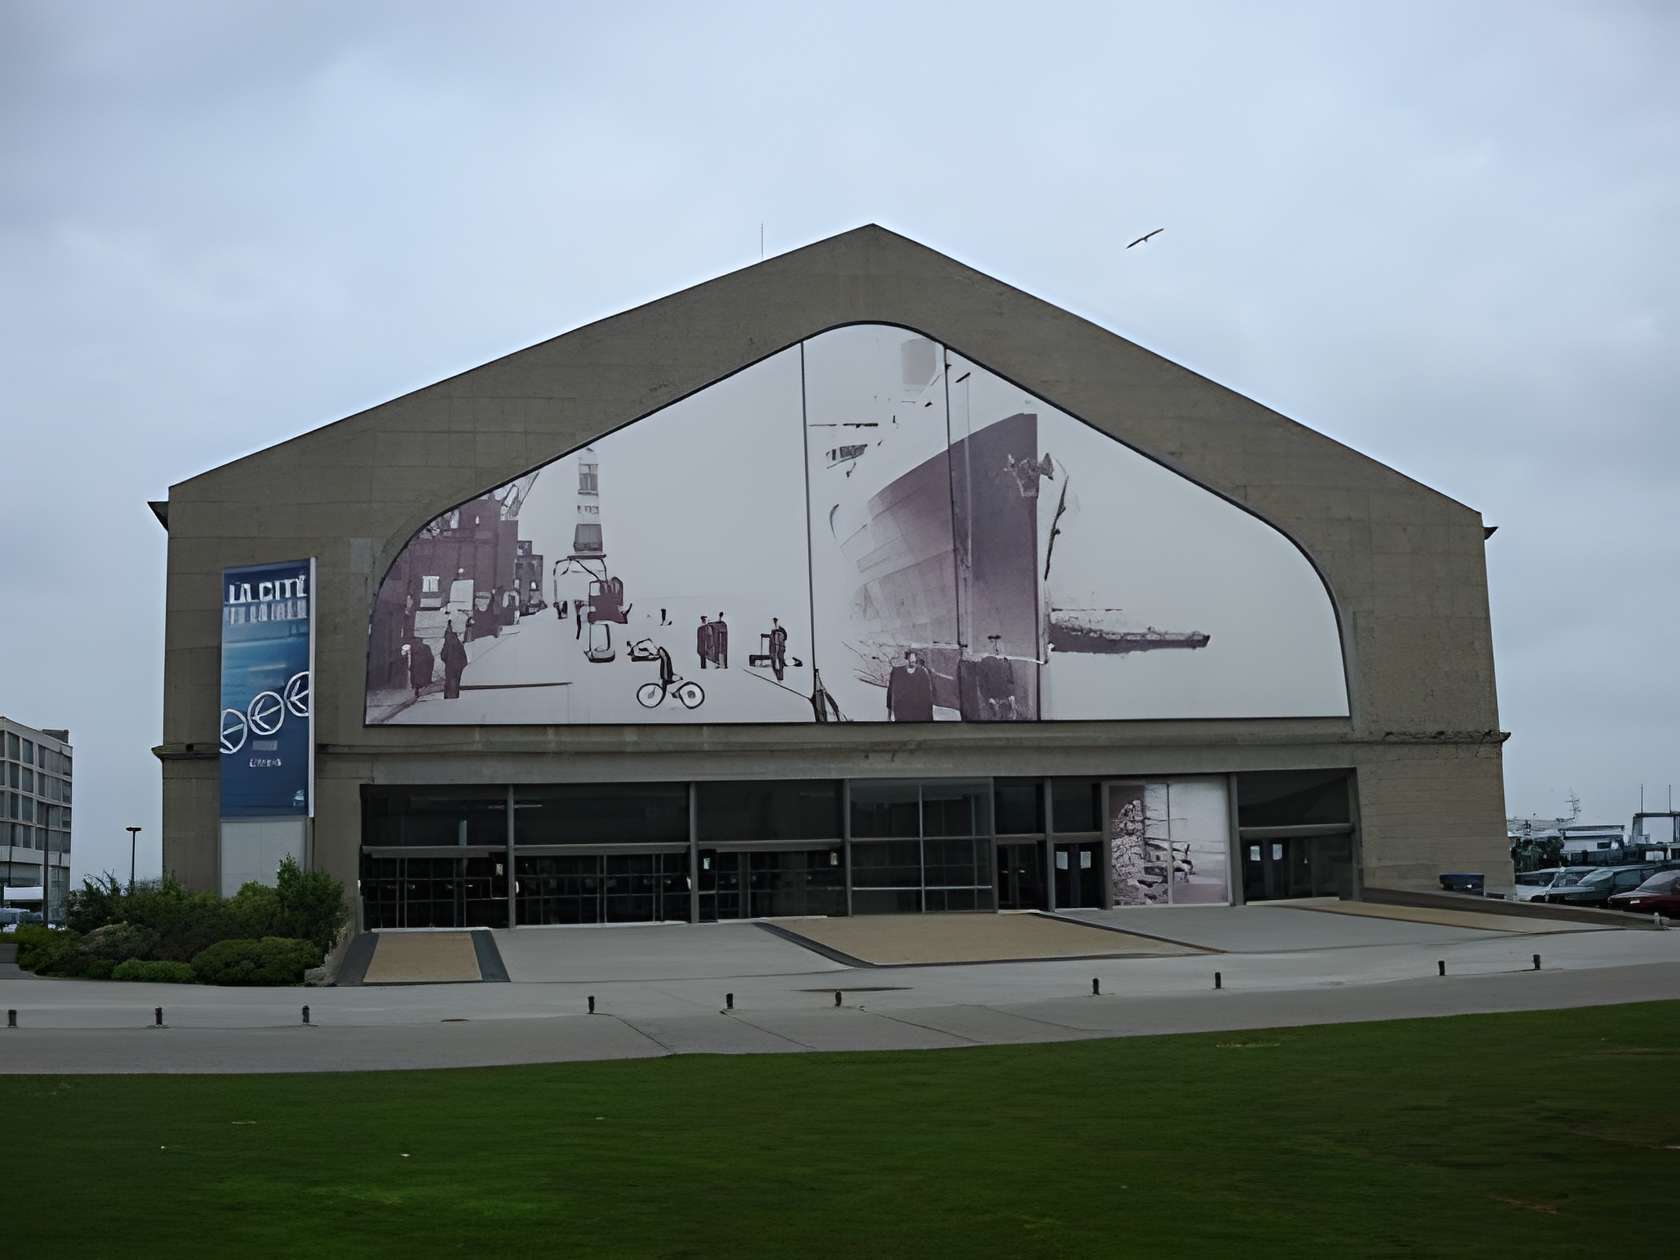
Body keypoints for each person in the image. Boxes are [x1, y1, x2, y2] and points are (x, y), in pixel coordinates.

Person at [886, 649, 934, 722]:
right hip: (901, 714)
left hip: (918, 715)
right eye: (911, 661)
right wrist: (889, 714)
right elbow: (890, 694)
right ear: (907, 659)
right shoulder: (897, 673)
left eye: (914, 661)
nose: (912, 662)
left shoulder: (923, 674)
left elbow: (928, 698)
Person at [978, 636, 1018, 720]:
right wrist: (990, 700)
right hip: (992, 701)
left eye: (999, 643)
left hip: (1005, 701)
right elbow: (982, 684)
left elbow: (1010, 682)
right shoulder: (985, 662)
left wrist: (1012, 702)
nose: (997, 646)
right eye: (993, 642)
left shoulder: (1006, 661)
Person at [440, 620, 468, 700]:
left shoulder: (449, 644)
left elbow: (443, 656)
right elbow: (464, 658)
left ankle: (451, 695)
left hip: (451, 667)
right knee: (455, 681)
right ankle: (453, 695)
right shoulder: (458, 644)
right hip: (457, 667)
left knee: (451, 681)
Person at [407, 636, 435, 701]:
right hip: (418, 669)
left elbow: (430, 659)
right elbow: (413, 661)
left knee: (420, 682)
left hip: (423, 668)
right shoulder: (414, 649)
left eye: (416, 642)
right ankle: (417, 692)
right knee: (418, 682)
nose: (415, 644)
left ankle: (419, 692)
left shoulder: (425, 648)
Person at [769, 617, 789, 681]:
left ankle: (780, 676)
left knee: (780, 661)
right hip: (774, 648)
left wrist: (781, 642)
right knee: (774, 661)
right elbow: (771, 639)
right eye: (774, 621)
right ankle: (777, 675)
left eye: (775, 621)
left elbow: (785, 637)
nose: (775, 622)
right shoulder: (773, 631)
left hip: (780, 647)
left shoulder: (781, 629)